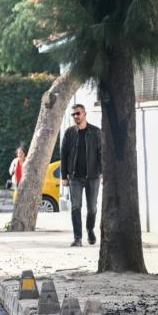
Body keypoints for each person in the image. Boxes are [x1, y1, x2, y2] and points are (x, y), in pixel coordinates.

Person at [60, 103, 102, 247]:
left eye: (78, 113)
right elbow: (63, 155)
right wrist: (64, 176)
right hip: (75, 177)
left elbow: (101, 154)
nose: (76, 116)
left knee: (92, 208)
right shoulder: (69, 132)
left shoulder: (96, 132)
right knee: (75, 207)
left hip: (93, 176)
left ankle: (90, 230)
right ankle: (77, 238)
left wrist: (102, 173)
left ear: (84, 114)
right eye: (74, 114)